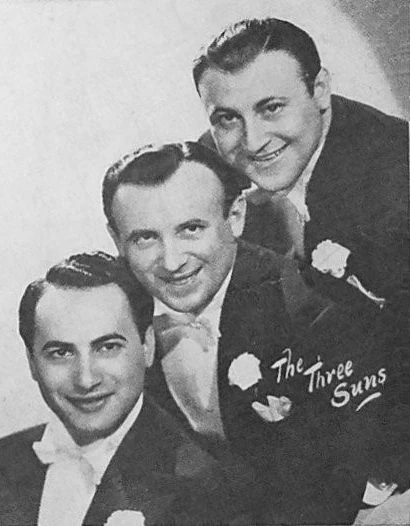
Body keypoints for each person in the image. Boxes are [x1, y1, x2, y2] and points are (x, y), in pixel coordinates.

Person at [103, 141, 407, 524]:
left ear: (235, 216)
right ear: (117, 240)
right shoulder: (114, 318)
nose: (172, 261)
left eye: (191, 229)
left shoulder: (313, 303)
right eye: (145, 238)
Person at [0, 251, 248, 526]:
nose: (86, 380)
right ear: (31, 362)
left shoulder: (211, 489)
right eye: (61, 353)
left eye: (108, 347)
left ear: (147, 346)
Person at [194, 17, 409, 312]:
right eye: (228, 118)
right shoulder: (209, 160)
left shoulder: (396, 183)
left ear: (319, 90)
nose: (253, 142)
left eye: (272, 108)